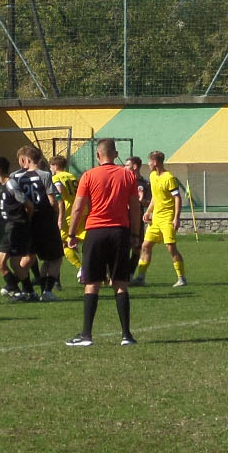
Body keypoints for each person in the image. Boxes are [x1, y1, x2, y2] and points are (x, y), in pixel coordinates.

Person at [65, 138, 141, 346]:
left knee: (92, 283)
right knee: (120, 283)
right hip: (120, 232)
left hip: (95, 232)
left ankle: (86, 335)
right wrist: (135, 234)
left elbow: (78, 208)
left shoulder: (88, 175)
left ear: (98, 155)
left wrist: (71, 234)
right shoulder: (127, 175)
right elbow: (135, 208)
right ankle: (126, 335)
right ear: (115, 154)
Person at [132, 150, 188, 287]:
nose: (148, 164)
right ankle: (141, 278)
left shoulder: (169, 178)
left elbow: (177, 198)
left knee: (171, 247)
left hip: (167, 218)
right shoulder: (152, 176)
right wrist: (148, 211)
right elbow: (155, 198)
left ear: (155, 162)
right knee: (145, 246)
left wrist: (176, 218)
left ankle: (181, 278)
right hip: (155, 219)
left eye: (149, 161)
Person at [0, 154, 41, 301]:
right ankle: (23, 291)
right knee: (2, 262)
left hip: (16, 227)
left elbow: (28, 204)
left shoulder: (11, 184)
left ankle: (22, 292)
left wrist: (25, 220)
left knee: (11, 263)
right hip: (10, 227)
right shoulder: (4, 185)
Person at [21, 146, 67, 296]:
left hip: (28, 221)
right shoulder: (45, 175)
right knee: (55, 258)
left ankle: (18, 286)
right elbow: (53, 201)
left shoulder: (18, 177)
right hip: (45, 221)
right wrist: (56, 215)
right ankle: (47, 291)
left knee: (31, 257)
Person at [48, 153, 81, 268]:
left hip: (67, 214)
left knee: (63, 245)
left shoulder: (56, 178)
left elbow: (59, 190)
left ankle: (82, 269)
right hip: (79, 210)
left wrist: (57, 197)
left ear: (55, 166)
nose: (50, 169)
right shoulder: (72, 176)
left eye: (51, 166)